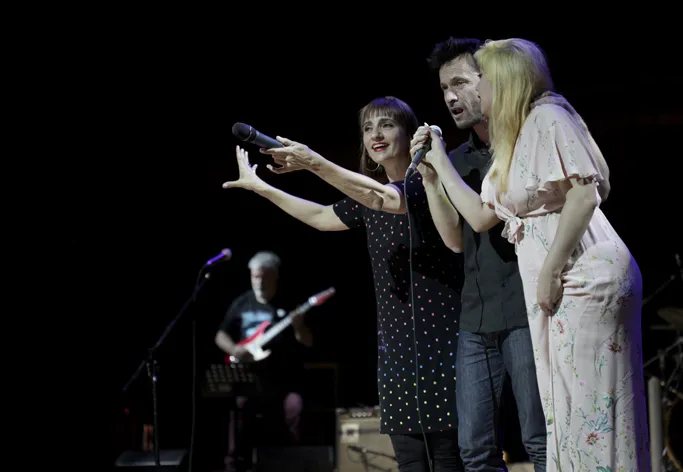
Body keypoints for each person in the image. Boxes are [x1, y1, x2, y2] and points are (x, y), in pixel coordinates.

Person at [417, 37, 650, 471]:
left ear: (505, 80)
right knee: (572, 417)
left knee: (585, 416)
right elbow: (478, 218)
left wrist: (551, 270)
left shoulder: (546, 115)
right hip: (551, 287)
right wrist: (437, 168)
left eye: (477, 79)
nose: (464, 93)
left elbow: (587, 192)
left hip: (578, 275)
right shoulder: (518, 135)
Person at [223, 96, 464, 471]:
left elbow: (383, 197)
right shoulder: (370, 196)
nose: (375, 134)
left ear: (409, 133)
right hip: (396, 349)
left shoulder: (427, 182)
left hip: (442, 341)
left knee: (448, 458)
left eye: (386, 125)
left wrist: (312, 162)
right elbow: (321, 216)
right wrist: (261, 188)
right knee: (409, 460)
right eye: (368, 128)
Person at [410, 37, 548, 471]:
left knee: (539, 440)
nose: (450, 98)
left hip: (525, 308)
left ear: (488, 80)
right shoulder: (457, 158)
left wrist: (441, 165)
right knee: (474, 449)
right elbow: (455, 239)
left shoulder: (523, 144)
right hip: (475, 317)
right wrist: (432, 177)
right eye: (443, 89)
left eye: (460, 83)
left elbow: (485, 218)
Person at [215, 250, 313, 472]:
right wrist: (235, 349)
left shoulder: (289, 304)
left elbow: (308, 342)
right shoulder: (242, 303)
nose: (258, 282)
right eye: (255, 276)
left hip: (284, 379)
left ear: (275, 276)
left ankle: (293, 462)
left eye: (263, 276)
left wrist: (299, 327)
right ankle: (233, 464)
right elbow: (220, 335)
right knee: (238, 408)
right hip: (249, 379)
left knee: (295, 406)